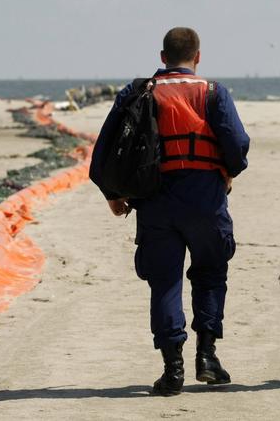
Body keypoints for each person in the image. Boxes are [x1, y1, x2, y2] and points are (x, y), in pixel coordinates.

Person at [89, 27, 250, 396]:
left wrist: (114, 194)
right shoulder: (213, 92)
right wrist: (226, 173)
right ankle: (207, 357)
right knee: (210, 272)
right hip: (205, 197)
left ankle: (172, 369)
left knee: (164, 281)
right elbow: (238, 145)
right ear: (198, 57)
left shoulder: (138, 91)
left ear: (162, 57)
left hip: (154, 198)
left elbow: (104, 152)